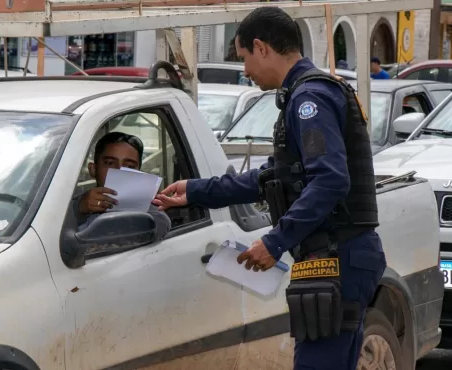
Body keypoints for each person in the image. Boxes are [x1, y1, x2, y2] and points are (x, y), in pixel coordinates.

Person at [153, 7, 386, 370]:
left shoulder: (310, 99)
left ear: (261, 48)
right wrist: (196, 191)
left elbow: (330, 179)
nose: (244, 70)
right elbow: (274, 177)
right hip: (336, 257)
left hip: (337, 258)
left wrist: (275, 241)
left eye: (243, 57)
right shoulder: (303, 94)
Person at [74, 131, 171, 240]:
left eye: (129, 166)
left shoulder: (147, 206)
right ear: (93, 169)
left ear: (138, 172)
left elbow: (161, 224)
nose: (119, 171)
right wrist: (79, 209)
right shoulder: (77, 205)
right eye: (109, 163)